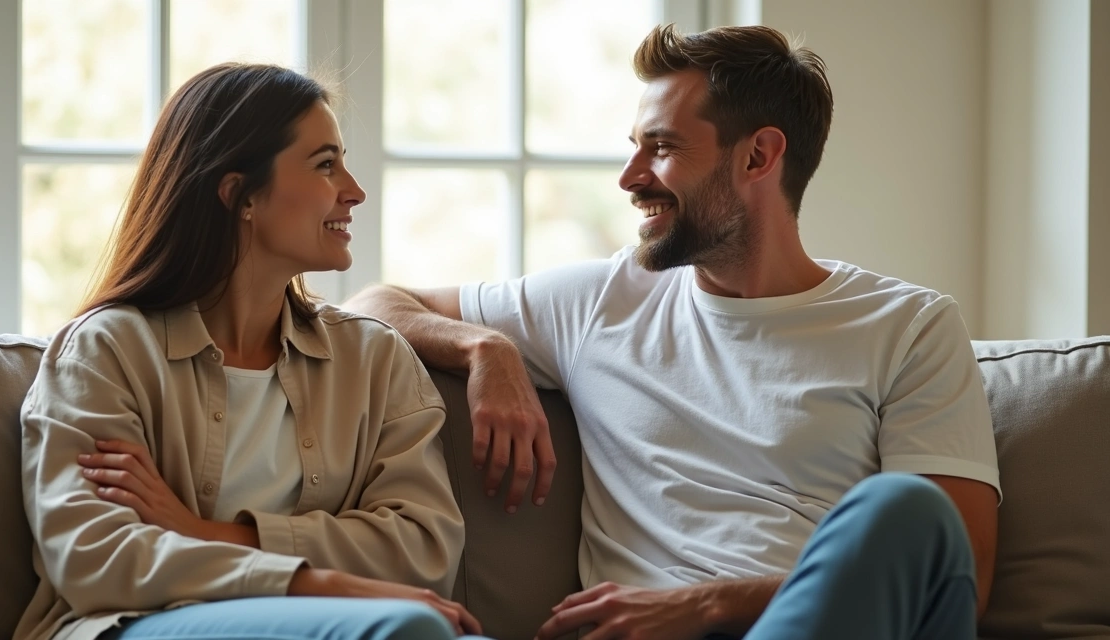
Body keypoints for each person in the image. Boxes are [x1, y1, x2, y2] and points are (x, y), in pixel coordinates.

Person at [345, 24, 1000, 640]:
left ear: (759, 156)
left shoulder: (909, 327)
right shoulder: (600, 300)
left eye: (660, 147)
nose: (630, 178)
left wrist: (705, 603)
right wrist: (483, 346)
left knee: (905, 510)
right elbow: (376, 300)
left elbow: (953, 577)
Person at [14, 63, 485, 640]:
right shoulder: (107, 351)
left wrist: (203, 531)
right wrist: (322, 583)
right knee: (402, 628)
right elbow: (99, 558)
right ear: (239, 195)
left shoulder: (373, 359)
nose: (354, 191)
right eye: (325, 164)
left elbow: (424, 549)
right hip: (135, 624)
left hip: (350, 625)